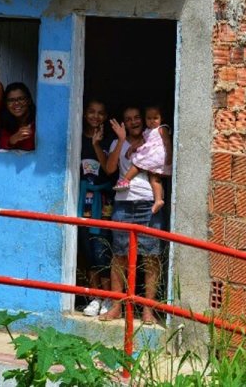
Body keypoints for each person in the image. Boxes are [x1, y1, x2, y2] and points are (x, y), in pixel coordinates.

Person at [99, 106, 164, 325]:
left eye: (137, 117)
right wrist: (120, 140)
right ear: (123, 123)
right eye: (128, 119)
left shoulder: (153, 137)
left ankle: (147, 310)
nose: (134, 121)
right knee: (119, 254)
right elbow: (109, 169)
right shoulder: (118, 142)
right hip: (123, 203)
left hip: (148, 202)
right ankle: (117, 306)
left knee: (151, 255)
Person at [78, 98, 115, 317]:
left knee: (102, 250)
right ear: (84, 114)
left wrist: (96, 144)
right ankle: (94, 297)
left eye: (101, 113)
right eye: (91, 112)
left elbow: (110, 171)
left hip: (104, 203)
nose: (96, 117)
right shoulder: (77, 138)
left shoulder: (110, 141)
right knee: (88, 249)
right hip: (83, 203)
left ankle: (108, 297)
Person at [114, 105, 171, 216]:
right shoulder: (147, 132)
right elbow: (141, 142)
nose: (152, 121)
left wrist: (169, 156)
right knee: (155, 179)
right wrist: (132, 148)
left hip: (156, 156)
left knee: (137, 164)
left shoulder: (162, 129)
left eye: (155, 118)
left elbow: (167, 143)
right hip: (154, 159)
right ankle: (158, 199)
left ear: (161, 118)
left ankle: (125, 180)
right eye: (149, 119)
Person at [0, 83, 35, 151]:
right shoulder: (6, 120)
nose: (16, 103)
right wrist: (13, 139)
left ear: (29, 101)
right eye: (11, 100)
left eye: (21, 98)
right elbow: (2, 145)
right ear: (6, 104)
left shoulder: (37, 121)